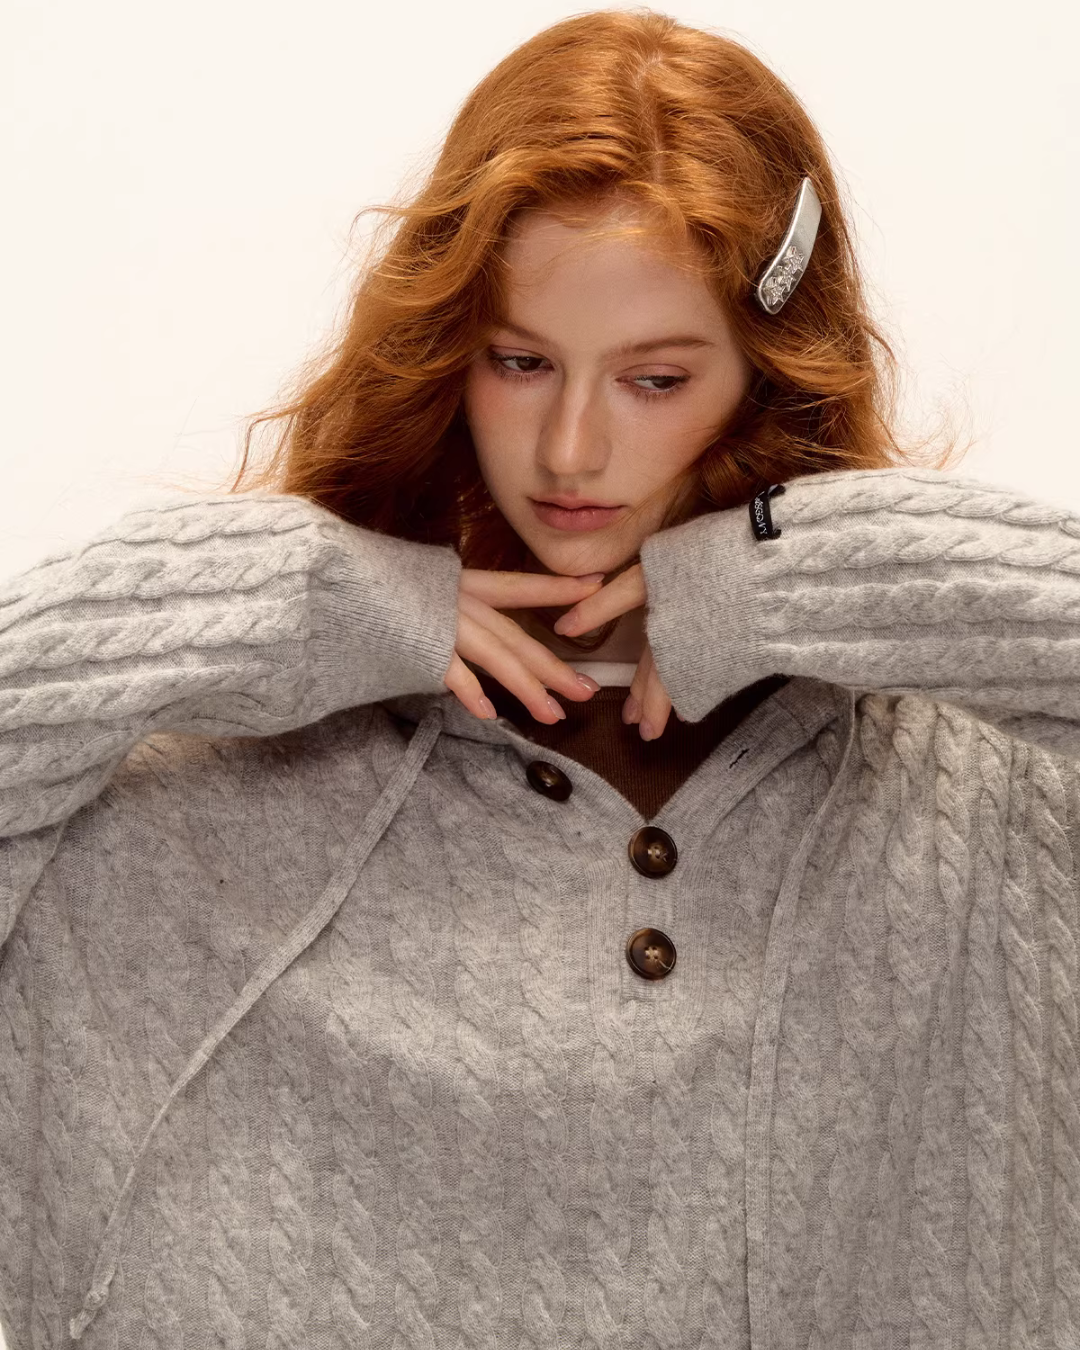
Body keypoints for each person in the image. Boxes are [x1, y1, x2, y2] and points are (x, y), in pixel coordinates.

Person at [1, 9, 1077, 1349]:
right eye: (520, 363)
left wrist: (795, 571)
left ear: (767, 374)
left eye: (655, 378)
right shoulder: (201, 816)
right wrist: (291, 598)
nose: (572, 448)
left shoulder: (987, 812)